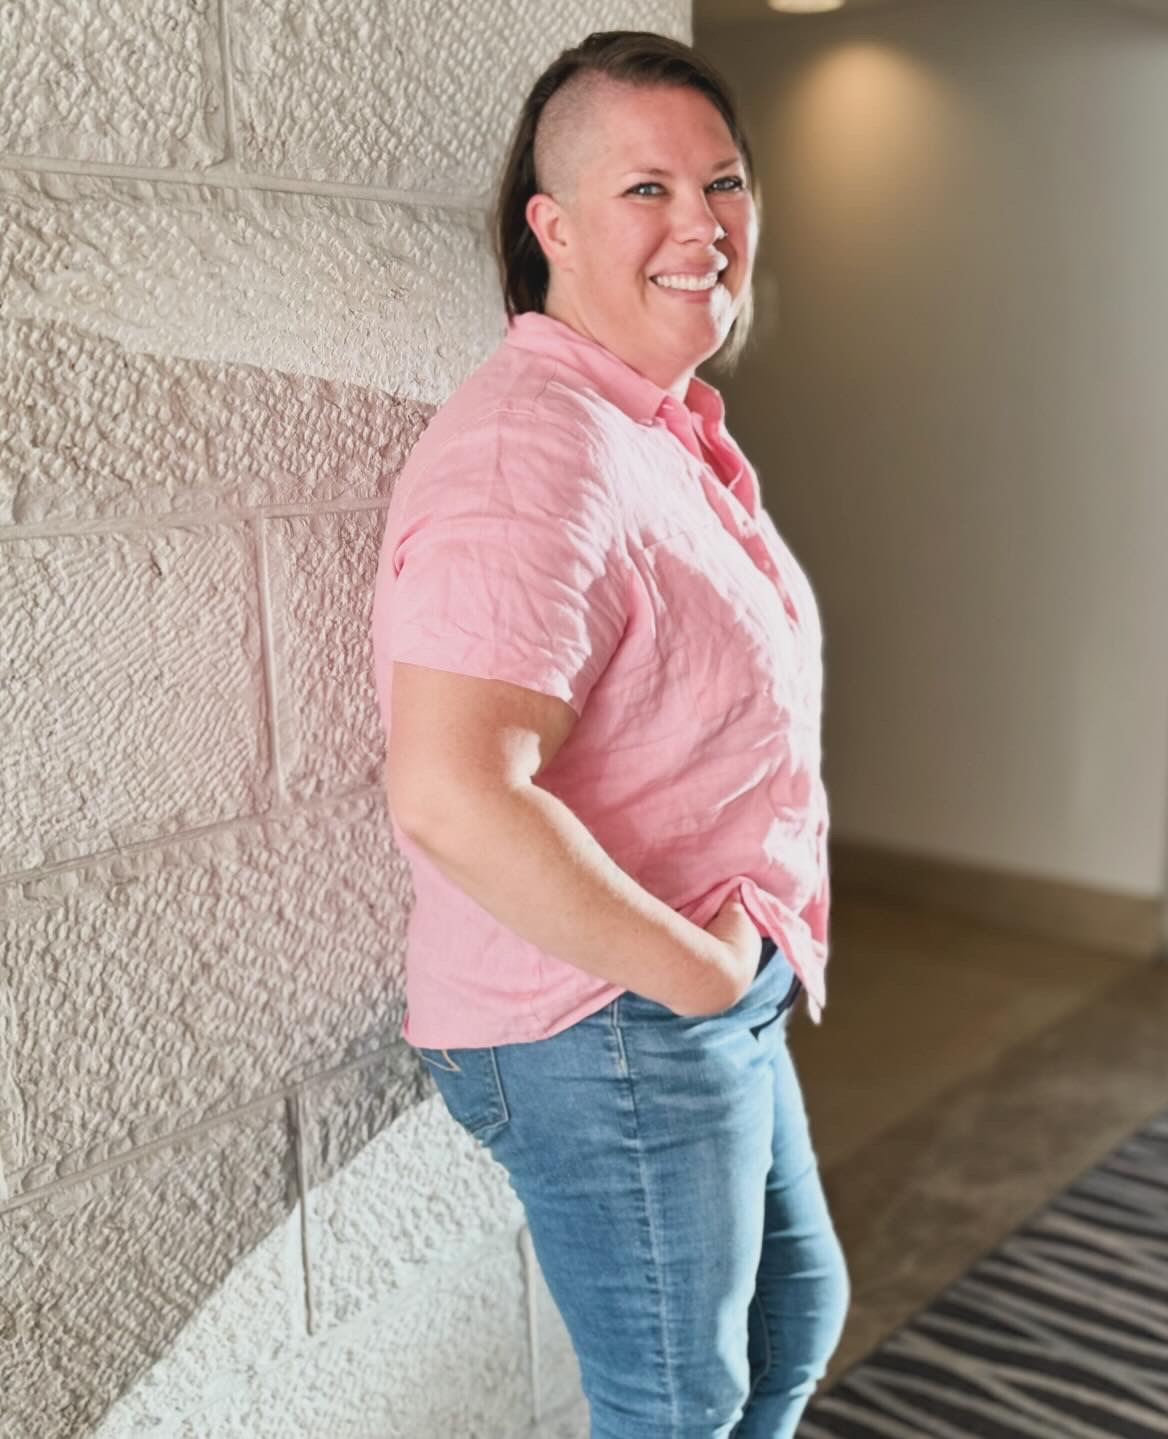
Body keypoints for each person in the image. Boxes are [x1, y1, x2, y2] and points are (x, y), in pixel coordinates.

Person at [369, 28, 847, 1438]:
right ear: (552, 227)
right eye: (648, 189)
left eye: (725, 183)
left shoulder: (652, 421)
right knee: (675, 1410)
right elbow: (453, 790)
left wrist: (730, 969)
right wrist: (699, 977)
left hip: (703, 981)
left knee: (786, 1324)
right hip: (609, 1017)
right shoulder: (539, 450)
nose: (702, 223)